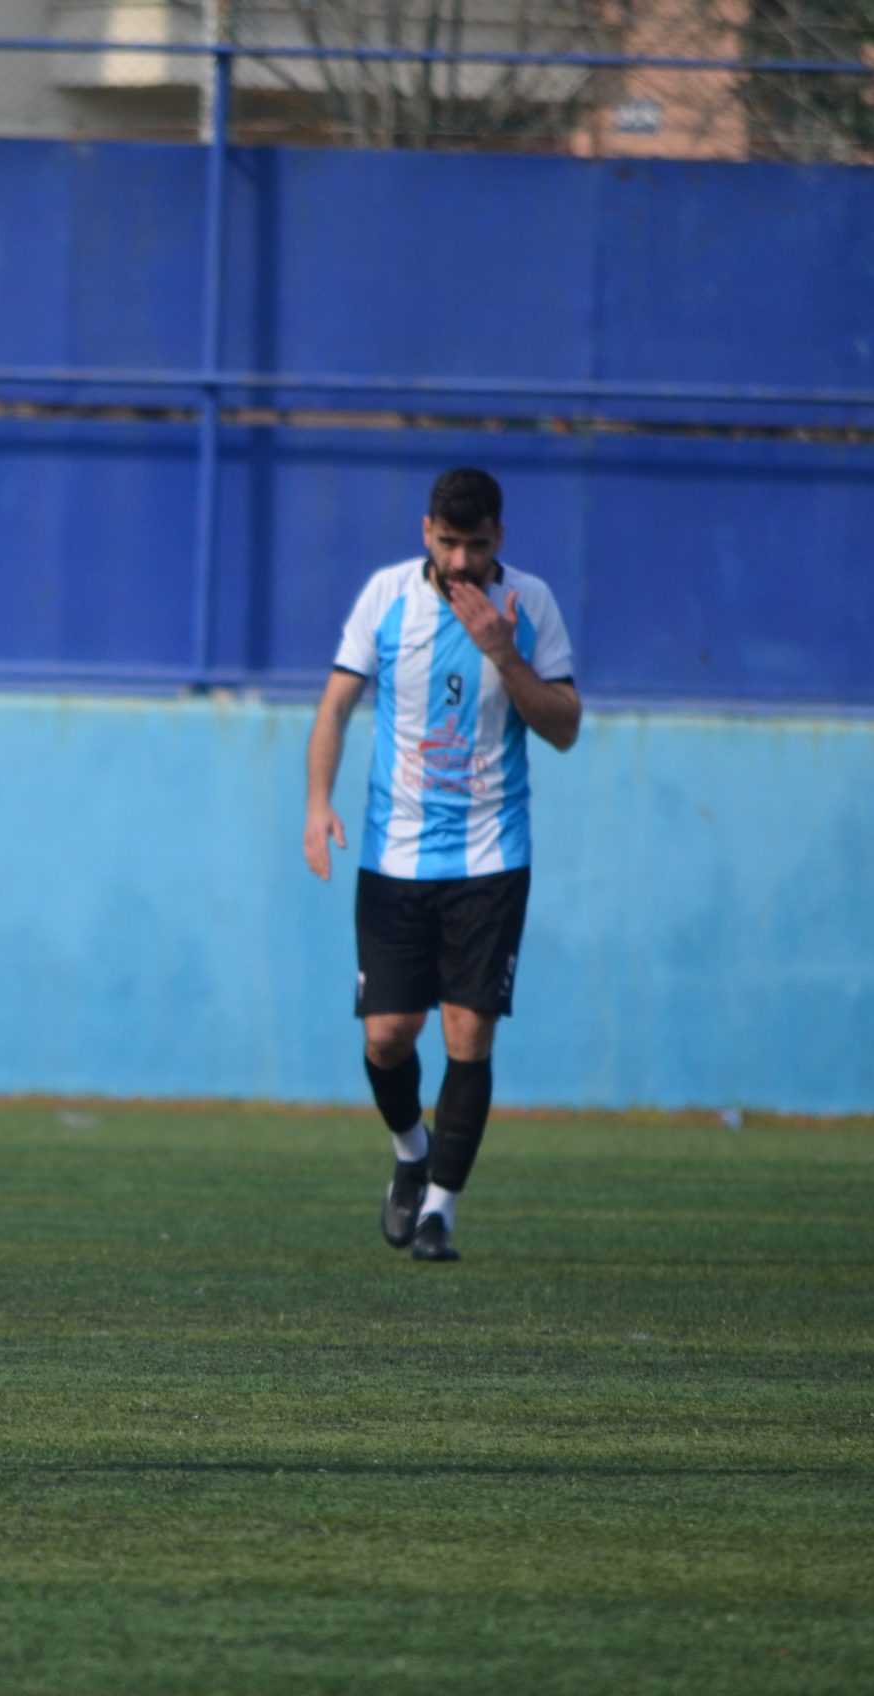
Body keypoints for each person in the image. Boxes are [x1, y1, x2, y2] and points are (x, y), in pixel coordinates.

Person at [301, 468, 580, 1263]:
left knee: (468, 1032)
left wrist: (504, 653)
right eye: (449, 542)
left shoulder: (531, 605)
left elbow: (564, 727)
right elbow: (335, 705)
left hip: (492, 854)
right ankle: (410, 1154)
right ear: (427, 532)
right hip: (395, 853)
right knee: (389, 1036)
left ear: (500, 539)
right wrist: (318, 803)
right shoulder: (387, 596)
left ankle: (439, 1215)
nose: (461, 561)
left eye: (477, 545)